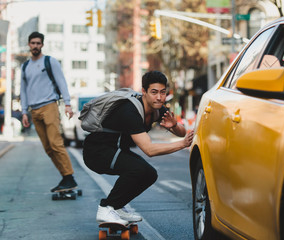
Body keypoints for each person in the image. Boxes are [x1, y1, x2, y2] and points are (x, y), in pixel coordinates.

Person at [83, 71, 194, 225]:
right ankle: (106, 207)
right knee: (138, 169)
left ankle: (116, 207)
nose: (159, 97)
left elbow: (182, 133)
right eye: (154, 92)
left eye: (163, 92)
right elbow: (149, 150)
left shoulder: (158, 109)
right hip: (97, 152)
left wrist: (173, 125)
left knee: (149, 174)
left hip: (114, 150)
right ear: (144, 92)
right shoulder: (130, 111)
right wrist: (182, 145)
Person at [20, 31, 78, 192]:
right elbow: (23, 90)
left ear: (42, 45)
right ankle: (66, 177)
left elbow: (61, 82)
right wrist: (24, 111)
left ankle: (69, 177)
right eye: (33, 43)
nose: (35, 46)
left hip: (49, 106)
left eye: (38, 43)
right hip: (34, 110)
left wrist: (67, 103)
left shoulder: (49, 61)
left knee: (55, 143)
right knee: (47, 147)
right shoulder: (25, 67)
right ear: (29, 45)